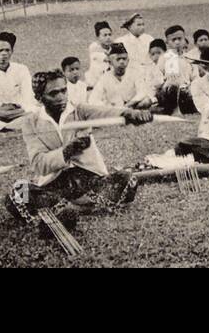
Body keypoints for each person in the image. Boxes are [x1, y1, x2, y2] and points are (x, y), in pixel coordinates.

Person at [10, 70, 152, 222]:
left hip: (90, 182)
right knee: (19, 190)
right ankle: (66, 208)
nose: (61, 97)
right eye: (53, 93)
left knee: (126, 177)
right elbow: (39, 164)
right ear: (39, 98)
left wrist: (130, 114)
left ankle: (59, 211)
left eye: (64, 91)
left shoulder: (80, 111)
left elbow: (109, 113)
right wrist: (67, 151)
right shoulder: (31, 123)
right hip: (55, 186)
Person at [90, 43, 155, 110]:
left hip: (132, 108)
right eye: (118, 59)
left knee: (146, 101)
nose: (121, 62)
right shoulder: (105, 78)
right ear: (110, 62)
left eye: (124, 59)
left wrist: (129, 104)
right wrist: (108, 107)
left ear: (128, 60)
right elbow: (93, 99)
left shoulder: (134, 74)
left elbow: (142, 92)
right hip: (113, 111)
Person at [156, 25, 196, 114]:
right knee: (172, 87)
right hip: (169, 91)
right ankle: (173, 109)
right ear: (167, 42)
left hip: (186, 90)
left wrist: (190, 88)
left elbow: (195, 77)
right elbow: (158, 78)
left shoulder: (190, 57)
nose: (177, 42)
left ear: (184, 40)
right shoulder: (164, 58)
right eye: (173, 40)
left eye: (180, 39)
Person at [87, 21, 114, 86]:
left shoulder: (112, 47)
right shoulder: (93, 47)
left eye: (110, 34)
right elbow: (106, 58)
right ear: (98, 37)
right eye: (105, 35)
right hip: (95, 82)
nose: (108, 37)